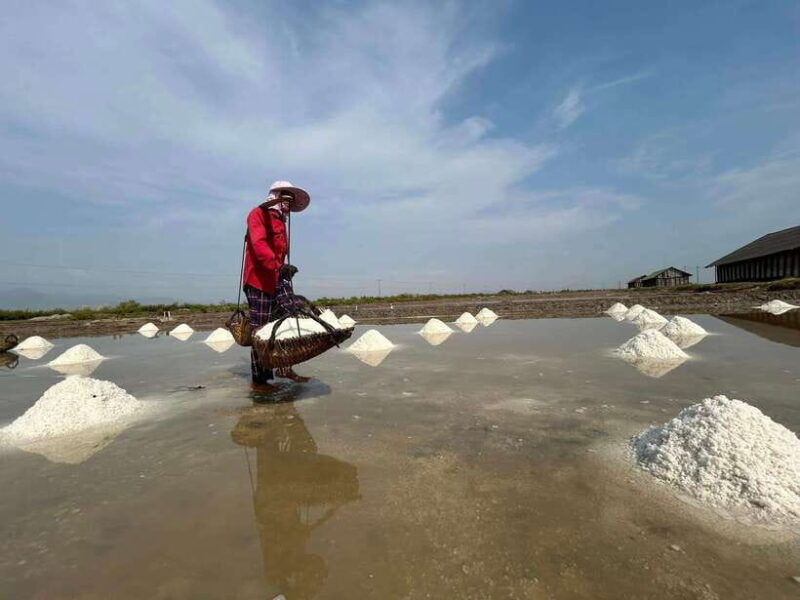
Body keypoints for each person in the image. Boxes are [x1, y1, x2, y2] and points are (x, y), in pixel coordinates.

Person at [243, 180, 311, 393]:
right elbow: (259, 245)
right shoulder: (258, 214)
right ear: (276, 197)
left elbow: (280, 252)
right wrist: (277, 266)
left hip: (277, 279)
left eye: (292, 201)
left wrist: (284, 269)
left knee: (287, 320)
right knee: (261, 330)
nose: (289, 204)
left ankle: (284, 367)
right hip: (259, 280)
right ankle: (259, 381)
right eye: (287, 199)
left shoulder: (281, 221)